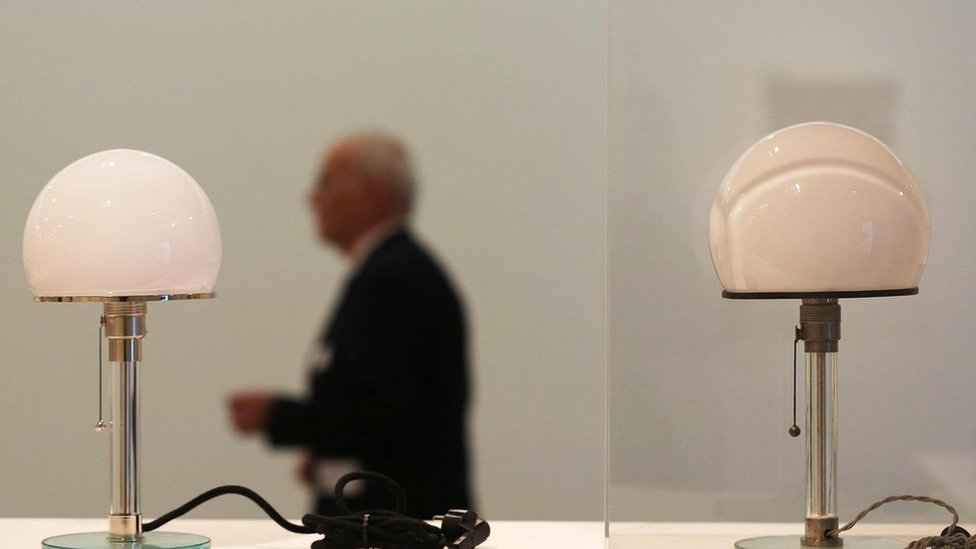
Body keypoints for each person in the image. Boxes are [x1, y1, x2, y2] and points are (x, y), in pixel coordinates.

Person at [228, 132, 472, 518]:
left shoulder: (393, 280)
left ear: (371, 194)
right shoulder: (391, 271)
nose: (312, 198)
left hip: (396, 529)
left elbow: (383, 415)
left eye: (325, 182)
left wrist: (278, 416)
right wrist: (327, 456)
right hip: (389, 523)